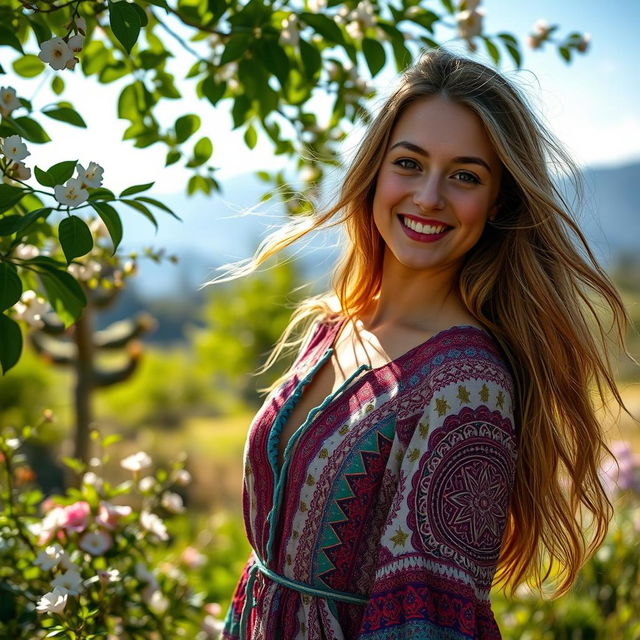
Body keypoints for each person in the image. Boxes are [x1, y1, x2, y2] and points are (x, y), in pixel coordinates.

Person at [220, 48, 631, 639]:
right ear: (375, 172)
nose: (429, 197)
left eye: (465, 176)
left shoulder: (467, 388)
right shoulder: (335, 326)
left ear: (498, 204)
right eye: (409, 163)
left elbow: (427, 622)